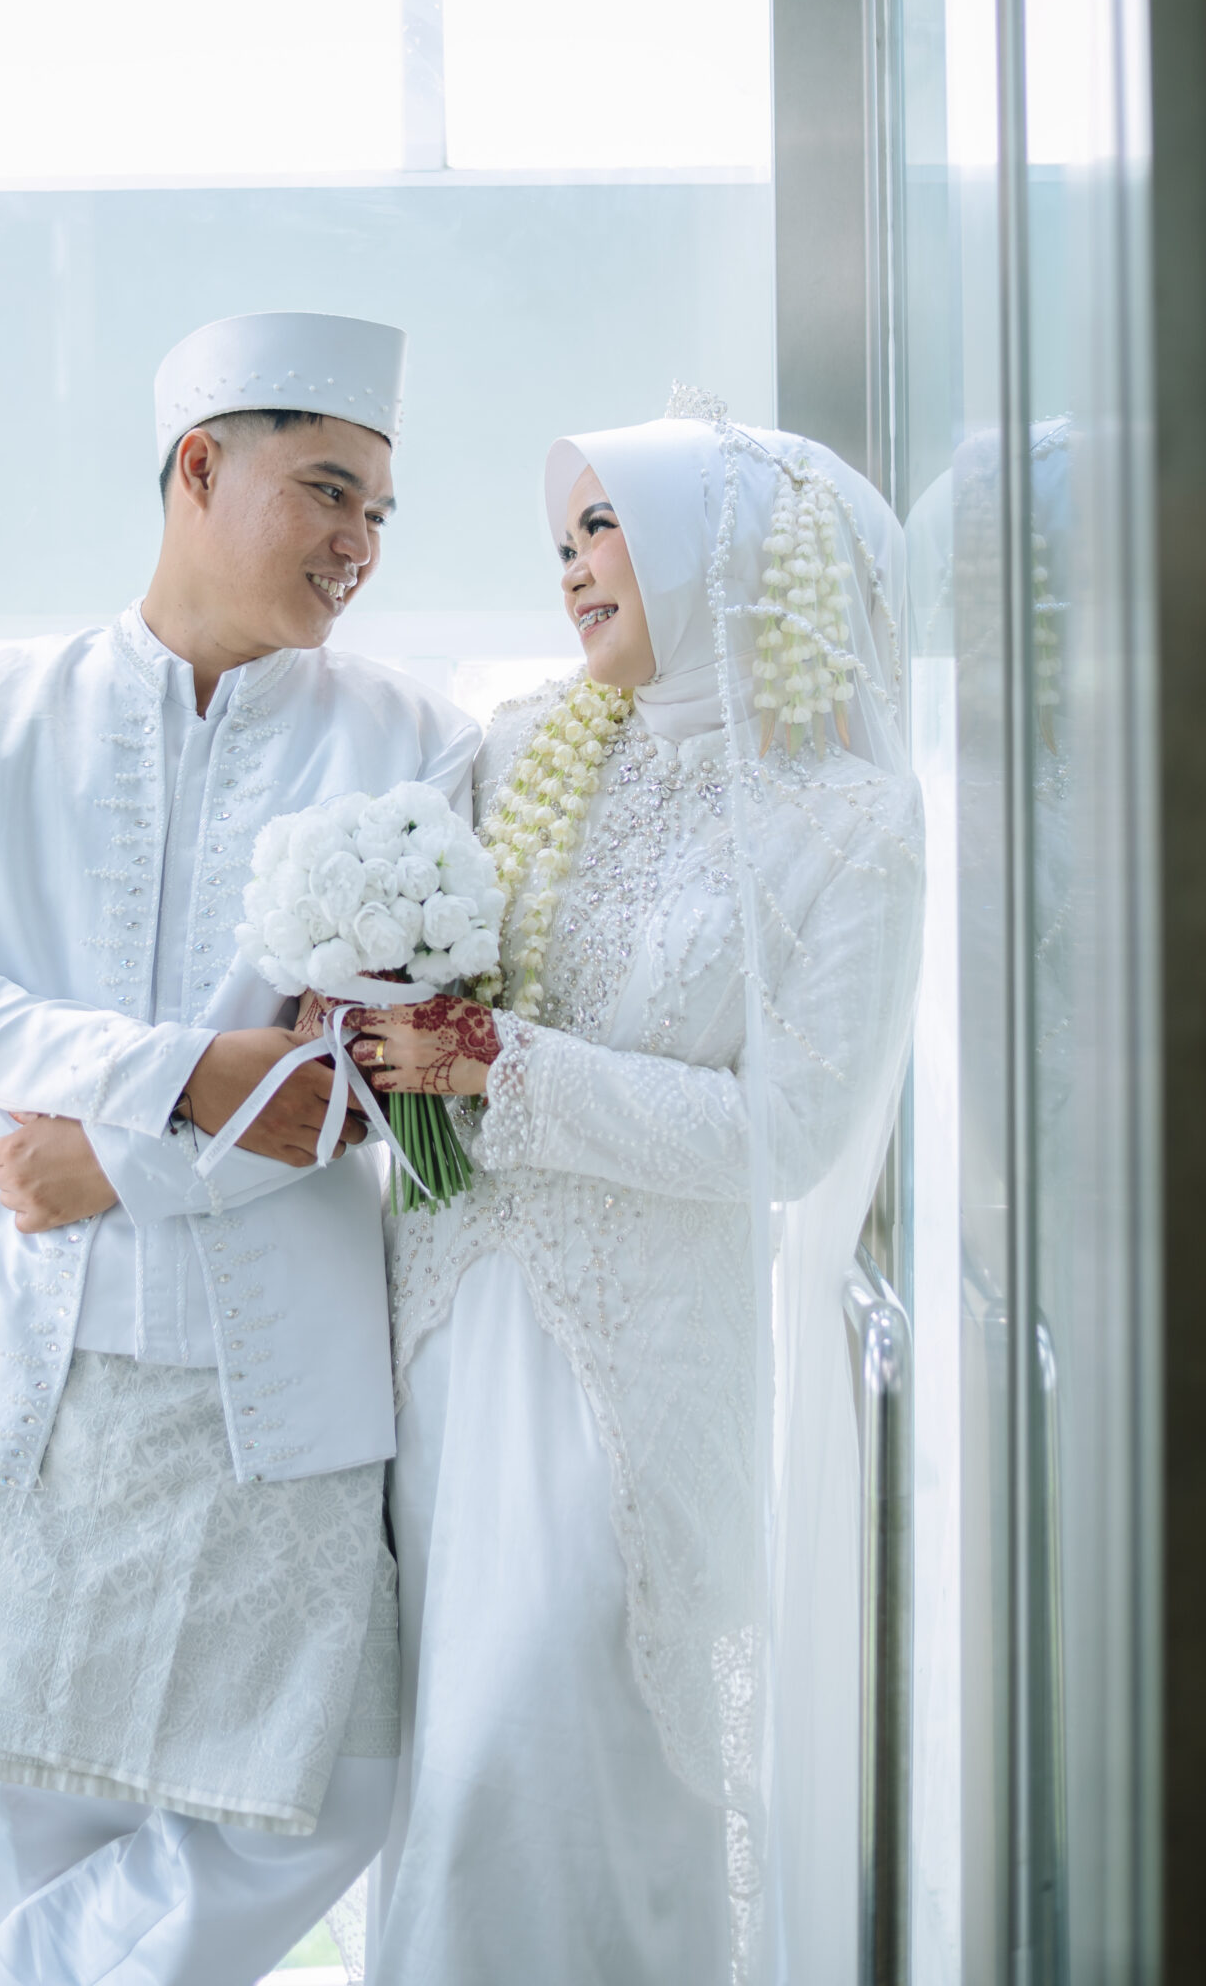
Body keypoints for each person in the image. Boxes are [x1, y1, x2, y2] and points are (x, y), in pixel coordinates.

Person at [0, 310, 480, 1986]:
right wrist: (188, 1075)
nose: (359, 545)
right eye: (328, 491)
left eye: (380, 514)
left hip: (267, 1377)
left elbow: (370, 1078)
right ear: (199, 466)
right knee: (32, 1820)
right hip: (23, 1359)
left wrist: (120, 1161)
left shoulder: (416, 742)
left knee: (330, 1796)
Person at [351, 397, 926, 1986]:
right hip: (447, 1339)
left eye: (606, 527)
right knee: (444, 1760)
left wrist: (504, 1069)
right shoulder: (525, 745)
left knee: (557, 1756)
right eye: (563, 538)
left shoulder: (851, 825)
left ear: (721, 548)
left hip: (637, 1367)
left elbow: (786, 1137)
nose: (573, 567)